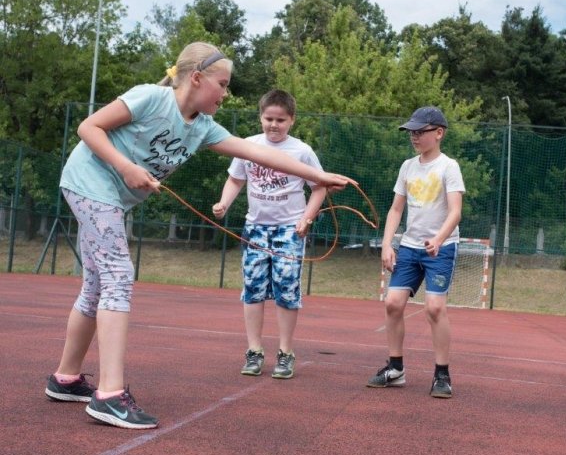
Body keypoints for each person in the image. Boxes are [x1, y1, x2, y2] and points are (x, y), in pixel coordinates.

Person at [45, 42, 354, 430]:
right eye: (222, 84)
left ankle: (66, 378)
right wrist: (126, 168)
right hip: (89, 183)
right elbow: (88, 127)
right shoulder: (150, 98)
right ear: (196, 78)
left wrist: (318, 176)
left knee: (97, 284)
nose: (226, 93)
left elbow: (255, 153)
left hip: (109, 198)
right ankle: (109, 395)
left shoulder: (204, 127)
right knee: (118, 276)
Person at [212, 90, 324, 379]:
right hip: (255, 229)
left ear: (292, 121)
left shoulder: (301, 151)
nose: (274, 125)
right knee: (253, 289)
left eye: (280, 120)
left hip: (289, 230)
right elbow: (236, 179)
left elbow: (319, 187)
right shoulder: (248, 146)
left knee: (287, 290)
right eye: (268, 119)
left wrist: (306, 219)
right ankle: (254, 351)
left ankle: (286, 353)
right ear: (260, 117)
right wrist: (224, 202)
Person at [366, 106, 465, 398]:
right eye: (411, 131)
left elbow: (456, 211)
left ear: (439, 133)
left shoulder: (449, 166)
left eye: (420, 131)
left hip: (441, 248)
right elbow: (396, 209)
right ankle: (395, 369)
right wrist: (387, 244)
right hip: (409, 247)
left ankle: (442, 374)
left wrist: (439, 238)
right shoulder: (407, 167)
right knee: (393, 304)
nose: (414, 136)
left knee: (435, 308)